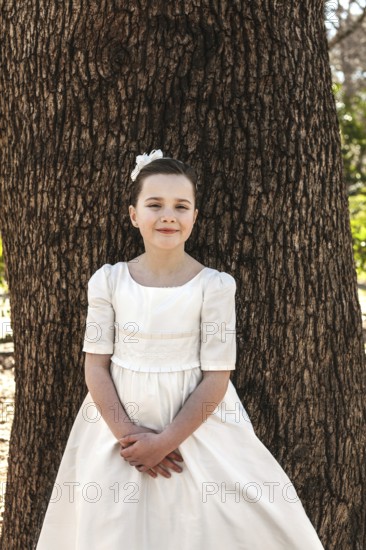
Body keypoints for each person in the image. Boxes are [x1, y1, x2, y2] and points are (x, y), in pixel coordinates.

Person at [36, 150, 325, 549]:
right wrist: (132, 439)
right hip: (118, 430)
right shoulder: (109, 282)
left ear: (194, 216)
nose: (168, 215)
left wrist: (166, 441)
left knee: (204, 525)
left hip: (197, 426)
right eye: (154, 204)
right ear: (134, 214)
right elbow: (96, 368)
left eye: (180, 206)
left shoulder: (214, 287)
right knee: (114, 528)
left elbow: (217, 376)